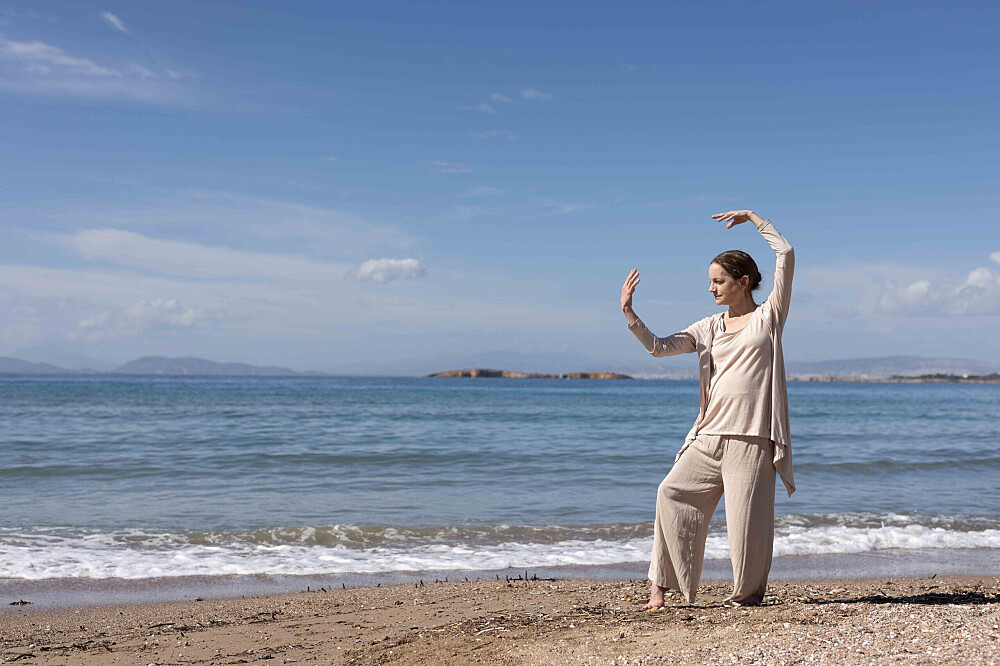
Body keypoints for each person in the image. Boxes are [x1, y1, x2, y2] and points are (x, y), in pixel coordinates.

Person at [620, 209, 795, 608]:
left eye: (718, 281)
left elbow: (785, 254)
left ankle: (746, 596)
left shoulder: (768, 317)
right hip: (709, 436)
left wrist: (754, 219)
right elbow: (660, 347)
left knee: (746, 526)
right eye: (711, 281)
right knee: (671, 493)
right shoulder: (709, 326)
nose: (711, 288)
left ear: (743, 282)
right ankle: (660, 589)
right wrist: (630, 314)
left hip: (751, 439)